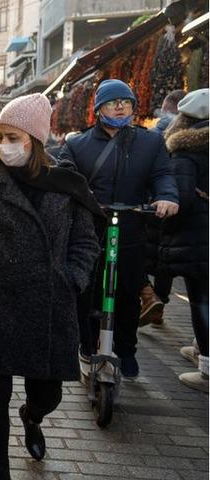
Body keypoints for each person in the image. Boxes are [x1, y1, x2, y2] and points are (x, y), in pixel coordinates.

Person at [0, 94, 101, 480]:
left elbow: (86, 242)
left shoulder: (67, 185)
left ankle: (33, 415)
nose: (3, 145)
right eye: (1, 136)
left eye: (12, 136)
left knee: (50, 393)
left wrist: (72, 278)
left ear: (35, 139)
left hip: (50, 303)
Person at [59, 79, 179, 378]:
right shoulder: (77, 144)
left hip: (132, 226)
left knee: (127, 293)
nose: (121, 106)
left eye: (126, 102)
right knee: (86, 291)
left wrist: (166, 197)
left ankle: (126, 350)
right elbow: (65, 177)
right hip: (89, 229)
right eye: (113, 102)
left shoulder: (150, 142)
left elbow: (163, 175)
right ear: (99, 108)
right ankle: (87, 345)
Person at [156, 88, 209, 391]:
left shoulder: (186, 149)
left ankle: (207, 368)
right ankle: (200, 349)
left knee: (202, 299)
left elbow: (181, 200)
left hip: (198, 237)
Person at [140, 89, 187, 326]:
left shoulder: (155, 134)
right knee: (163, 262)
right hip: (173, 206)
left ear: (167, 107)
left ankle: (149, 298)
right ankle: (158, 304)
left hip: (150, 206)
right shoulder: (189, 139)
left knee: (141, 254)